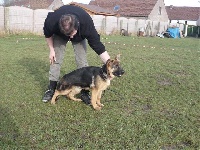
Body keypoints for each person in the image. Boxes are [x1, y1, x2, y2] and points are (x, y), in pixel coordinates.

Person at [42, 5, 110, 104]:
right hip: (60, 36)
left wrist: (109, 65)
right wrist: (51, 50)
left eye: (72, 33)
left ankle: (84, 92)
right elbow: (47, 34)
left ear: (77, 25)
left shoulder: (86, 23)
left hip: (80, 37)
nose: (70, 37)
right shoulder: (52, 20)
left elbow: (98, 46)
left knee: (82, 61)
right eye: (68, 35)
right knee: (55, 59)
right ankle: (51, 89)